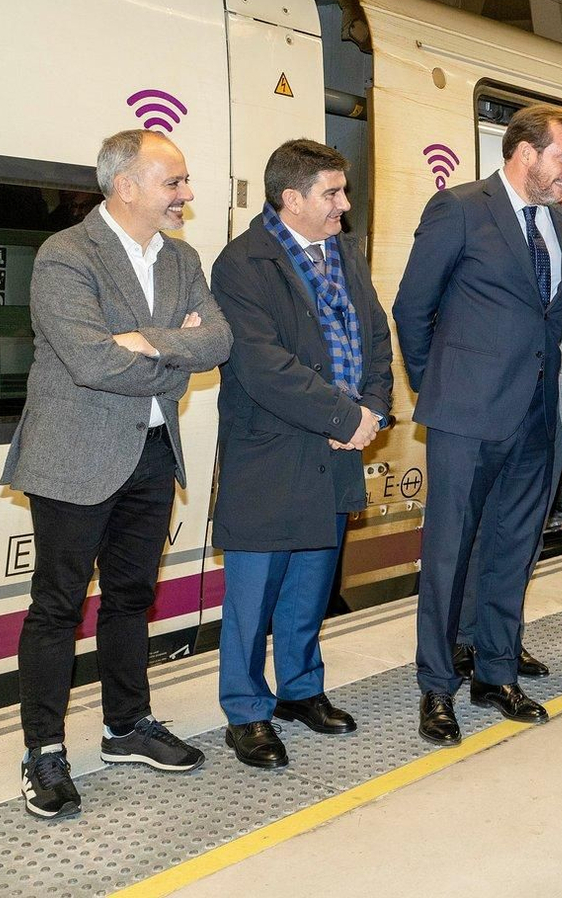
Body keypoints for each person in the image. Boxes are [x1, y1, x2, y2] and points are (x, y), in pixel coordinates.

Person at [3, 129, 231, 818]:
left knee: (132, 596)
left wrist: (145, 340)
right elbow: (91, 361)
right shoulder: (66, 256)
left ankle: (126, 726)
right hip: (74, 455)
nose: (186, 195)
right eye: (174, 183)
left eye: (185, 182)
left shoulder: (183, 258)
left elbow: (217, 340)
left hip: (153, 452)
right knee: (58, 605)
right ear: (126, 185)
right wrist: (173, 346)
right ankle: (43, 750)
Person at [393, 103, 562, 747]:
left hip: (535, 414)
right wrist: (437, 386)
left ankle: (495, 671)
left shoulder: (558, 223)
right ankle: (437, 688)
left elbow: (550, 319)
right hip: (466, 415)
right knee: (448, 552)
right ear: (525, 153)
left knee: (512, 546)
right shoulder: (460, 208)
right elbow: (412, 308)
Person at [209, 139, 394, 770]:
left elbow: (374, 333)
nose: (345, 205)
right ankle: (246, 712)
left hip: (336, 447)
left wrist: (370, 411)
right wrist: (346, 416)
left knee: (311, 584)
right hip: (272, 450)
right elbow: (264, 366)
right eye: (333, 194)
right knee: (251, 596)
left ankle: (300, 690)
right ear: (292, 198)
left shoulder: (343, 251)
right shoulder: (242, 264)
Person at [452, 180, 562, 681]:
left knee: (523, 543)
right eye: (559, 201)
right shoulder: (518, 264)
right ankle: (464, 640)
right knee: (478, 540)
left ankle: (503, 642)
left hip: (551, 423)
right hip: (503, 414)